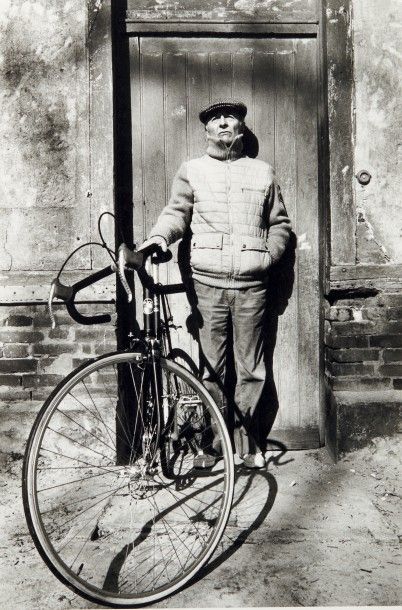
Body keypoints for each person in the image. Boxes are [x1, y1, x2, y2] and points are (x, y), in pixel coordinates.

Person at [140, 100, 291, 468]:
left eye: (230, 118)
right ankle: (210, 446)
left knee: (252, 370)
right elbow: (176, 213)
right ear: (207, 130)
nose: (223, 122)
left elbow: (280, 224)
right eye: (215, 119)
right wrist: (160, 238)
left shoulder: (262, 172)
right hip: (207, 286)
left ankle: (247, 445)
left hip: (252, 287)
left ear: (241, 127)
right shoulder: (192, 170)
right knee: (211, 370)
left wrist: (267, 257)